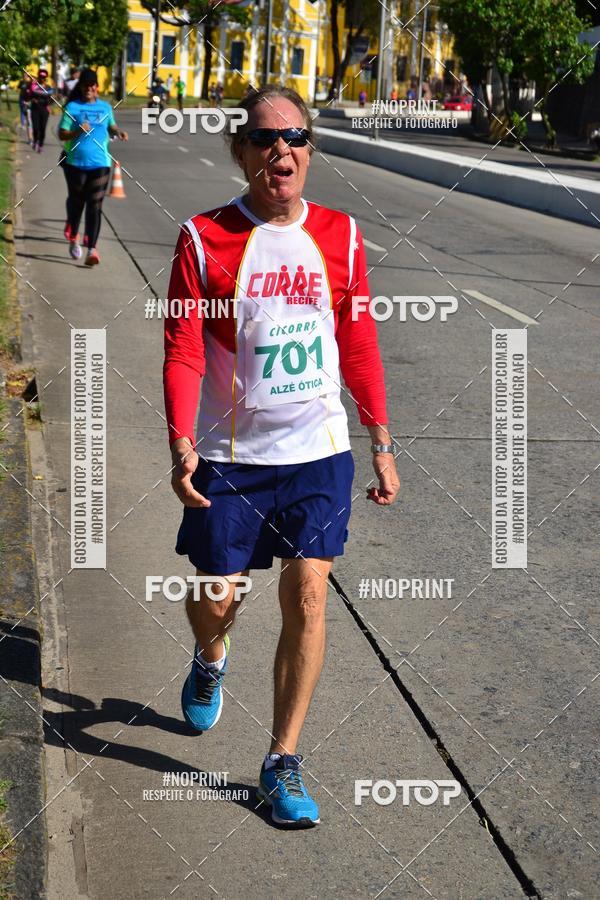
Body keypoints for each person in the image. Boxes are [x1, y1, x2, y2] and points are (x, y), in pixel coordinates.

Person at [164, 85, 399, 828]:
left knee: (308, 592)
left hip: (318, 451)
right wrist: (179, 443)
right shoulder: (204, 238)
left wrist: (381, 441)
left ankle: (281, 761)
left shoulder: (343, 236)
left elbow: (358, 344)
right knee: (219, 599)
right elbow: (182, 349)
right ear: (241, 153)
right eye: (265, 139)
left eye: (295, 137)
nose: (282, 151)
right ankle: (209, 659)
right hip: (233, 455)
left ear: (309, 149)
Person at [58, 68, 128, 265]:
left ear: (97, 87)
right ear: (81, 88)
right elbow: (62, 134)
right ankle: (74, 238)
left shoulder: (105, 108)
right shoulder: (72, 108)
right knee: (76, 203)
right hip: (75, 163)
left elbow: (111, 126)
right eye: (85, 85)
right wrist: (77, 132)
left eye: (92, 85)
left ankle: (92, 250)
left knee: (95, 205)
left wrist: (118, 131)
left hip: (101, 163)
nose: (88, 88)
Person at [26, 68, 53, 152]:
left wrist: (48, 102)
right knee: (35, 128)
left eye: (43, 77)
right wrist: (32, 98)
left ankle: (40, 144)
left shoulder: (48, 88)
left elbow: (51, 99)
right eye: (40, 77)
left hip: (44, 110)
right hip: (35, 109)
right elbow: (28, 96)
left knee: (42, 128)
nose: (42, 79)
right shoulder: (33, 86)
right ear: (38, 77)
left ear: (46, 78)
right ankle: (35, 141)